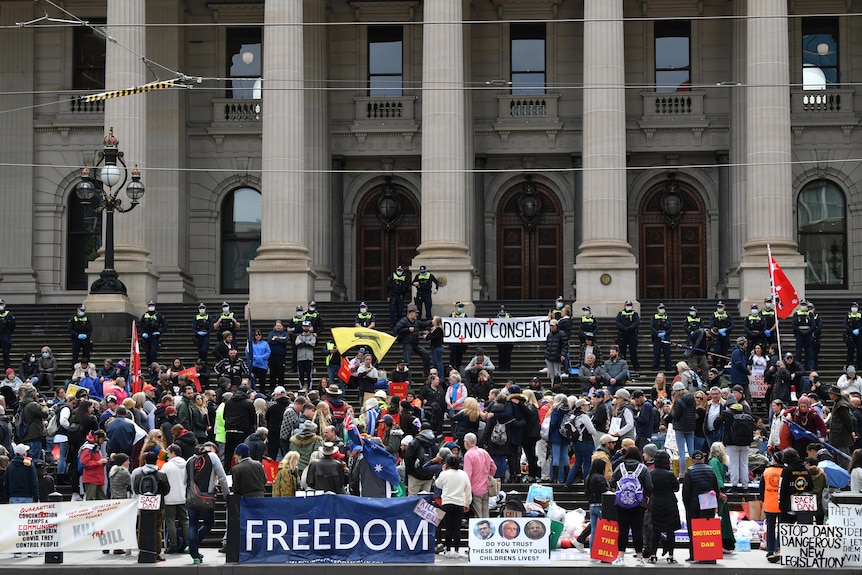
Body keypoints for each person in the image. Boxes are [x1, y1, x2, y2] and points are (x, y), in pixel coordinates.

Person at [186, 442, 229, 564]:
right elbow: (222, 476)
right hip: (207, 498)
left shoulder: (190, 460)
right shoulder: (213, 457)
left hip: (191, 498)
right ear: (211, 449)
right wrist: (226, 493)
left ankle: (194, 554)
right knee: (209, 523)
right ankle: (193, 545)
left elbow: (186, 480)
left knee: (192, 525)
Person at [609, 446, 652, 566]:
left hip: (621, 504)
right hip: (639, 504)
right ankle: (639, 559)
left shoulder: (620, 467)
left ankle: (620, 558)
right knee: (637, 531)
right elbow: (649, 486)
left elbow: (611, 482)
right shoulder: (642, 468)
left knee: (623, 531)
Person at [681, 450, 722, 563]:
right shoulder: (710, 470)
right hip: (708, 500)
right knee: (707, 530)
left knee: (693, 530)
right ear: (703, 459)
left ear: (692, 460)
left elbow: (686, 492)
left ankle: (694, 555)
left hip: (693, 503)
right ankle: (708, 556)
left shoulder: (689, 471)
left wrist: (687, 506)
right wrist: (715, 504)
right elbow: (716, 489)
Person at [435, 454, 472, 558]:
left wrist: (443, 471)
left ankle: (447, 550)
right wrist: (467, 503)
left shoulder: (444, 474)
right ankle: (456, 550)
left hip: (446, 502)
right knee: (457, 528)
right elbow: (468, 490)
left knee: (448, 528)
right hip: (459, 503)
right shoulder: (463, 474)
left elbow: (438, 484)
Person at [648, 450, 680, 563]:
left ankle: (653, 555)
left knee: (656, 531)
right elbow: (676, 488)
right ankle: (671, 556)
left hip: (655, 503)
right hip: (669, 503)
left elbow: (648, 488)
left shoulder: (651, 473)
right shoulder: (670, 474)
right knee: (670, 531)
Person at [721, 402, 754, 492]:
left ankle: (734, 485)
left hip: (732, 444)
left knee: (733, 465)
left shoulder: (729, 417)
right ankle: (745, 486)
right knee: (744, 465)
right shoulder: (747, 418)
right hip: (746, 444)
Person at [162, 444, 188, 554]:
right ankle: (188, 543)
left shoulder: (167, 466)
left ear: (173, 453)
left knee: (170, 521)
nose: (167, 454)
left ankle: (173, 544)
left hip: (169, 497)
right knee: (185, 520)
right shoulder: (186, 464)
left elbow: (162, 480)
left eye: (168, 452)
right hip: (183, 496)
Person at [462, 432, 495, 517]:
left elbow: (467, 475)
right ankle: (487, 528)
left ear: (467, 442)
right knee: (485, 512)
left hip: (475, 487)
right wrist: (489, 476)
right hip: (486, 487)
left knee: (478, 514)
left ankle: (480, 529)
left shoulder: (468, 455)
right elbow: (494, 467)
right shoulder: (484, 452)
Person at [668, 381, 696, 475]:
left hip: (680, 428)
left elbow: (676, 416)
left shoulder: (679, 401)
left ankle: (682, 474)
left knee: (682, 453)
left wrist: (670, 412)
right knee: (692, 451)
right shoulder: (692, 399)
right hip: (691, 427)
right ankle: (693, 471)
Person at [395, 307, 432, 375]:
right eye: (416, 313)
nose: (417, 315)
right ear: (411, 313)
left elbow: (423, 324)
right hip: (407, 343)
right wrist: (408, 330)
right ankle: (406, 377)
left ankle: (426, 373)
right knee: (406, 361)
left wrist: (432, 321)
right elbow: (397, 330)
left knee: (426, 354)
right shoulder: (403, 321)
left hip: (415, 343)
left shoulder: (416, 322)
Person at [828, 385, 856, 456]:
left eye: (830, 393)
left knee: (843, 457)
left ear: (834, 394)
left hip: (841, 436)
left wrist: (851, 431)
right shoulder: (837, 403)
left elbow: (848, 420)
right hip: (837, 435)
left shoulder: (841, 405)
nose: (829, 395)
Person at [139, 301, 168, 366]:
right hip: (146, 336)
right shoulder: (144, 315)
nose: (151, 307)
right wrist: (143, 333)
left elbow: (165, 325)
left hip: (154, 336)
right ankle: (148, 366)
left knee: (153, 352)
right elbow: (140, 325)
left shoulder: (158, 316)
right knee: (147, 352)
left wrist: (159, 332)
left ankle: (153, 365)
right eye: (150, 305)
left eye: (152, 305)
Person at [616, 300, 640, 371]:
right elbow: (617, 322)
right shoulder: (620, 314)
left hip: (632, 334)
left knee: (633, 352)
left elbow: (636, 322)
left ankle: (636, 367)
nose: (628, 306)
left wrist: (629, 328)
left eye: (630, 305)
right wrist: (624, 328)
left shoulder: (634, 314)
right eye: (627, 305)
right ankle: (622, 368)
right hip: (622, 334)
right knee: (622, 352)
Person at [792, 300, 816, 372]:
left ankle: (810, 366)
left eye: (804, 304)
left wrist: (808, 331)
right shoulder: (796, 314)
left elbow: (813, 325)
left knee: (809, 352)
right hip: (800, 334)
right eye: (802, 304)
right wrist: (800, 331)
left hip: (808, 335)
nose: (803, 306)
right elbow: (794, 325)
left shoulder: (810, 314)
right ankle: (798, 367)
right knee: (798, 352)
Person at [709, 301, 734, 369]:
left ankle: (722, 368)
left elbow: (732, 325)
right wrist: (717, 331)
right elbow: (711, 326)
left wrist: (726, 330)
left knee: (724, 353)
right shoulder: (714, 315)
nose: (719, 308)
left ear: (724, 307)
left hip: (725, 336)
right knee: (717, 352)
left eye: (721, 307)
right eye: (718, 307)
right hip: (717, 336)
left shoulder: (728, 315)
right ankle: (714, 366)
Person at [650, 303, 672, 372]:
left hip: (665, 336)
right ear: (657, 309)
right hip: (657, 337)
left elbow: (670, 327)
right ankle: (655, 368)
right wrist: (657, 334)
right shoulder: (654, 317)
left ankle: (668, 368)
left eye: (663, 308)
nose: (662, 310)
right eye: (660, 308)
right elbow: (651, 326)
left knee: (667, 353)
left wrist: (666, 333)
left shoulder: (667, 317)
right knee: (657, 353)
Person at [544, 319, 568, 383]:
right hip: (549, 356)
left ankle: (558, 386)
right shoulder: (549, 335)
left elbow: (565, 345)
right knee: (551, 374)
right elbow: (547, 345)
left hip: (557, 356)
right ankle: (553, 386)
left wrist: (563, 354)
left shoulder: (562, 334)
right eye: (551, 326)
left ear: (557, 326)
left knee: (557, 373)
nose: (552, 327)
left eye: (553, 326)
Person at [448, 302, 469, 372]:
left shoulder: (464, 315)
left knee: (459, 355)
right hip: (453, 339)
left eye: (461, 307)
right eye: (459, 306)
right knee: (453, 355)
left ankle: (458, 367)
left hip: (461, 339)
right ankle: (452, 368)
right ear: (456, 307)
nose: (460, 308)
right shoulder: (451, 315)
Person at [0, 300, 16, 370]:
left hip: (5, 335)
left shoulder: (9, 314)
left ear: (4, 305)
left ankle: (7, 369)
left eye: (1, 304)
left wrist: (8, 333)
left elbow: (13, 325)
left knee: (6, 353)